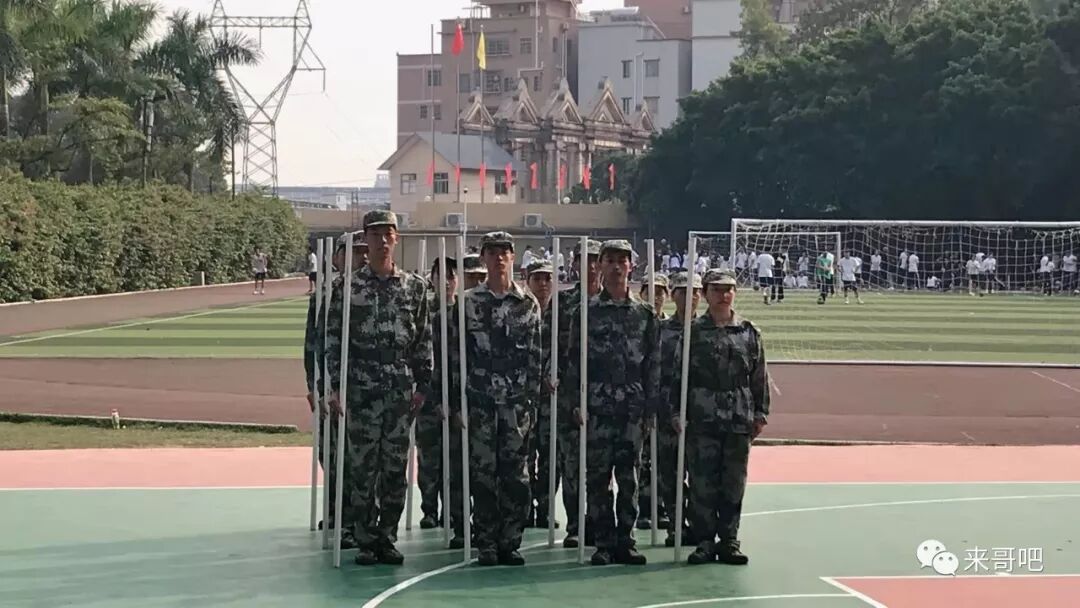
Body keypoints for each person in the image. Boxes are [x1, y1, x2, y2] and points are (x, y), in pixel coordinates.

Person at [325, 210, 432, 566]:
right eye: (375, 235)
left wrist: (423, 384)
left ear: (397, 238)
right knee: (362, 468)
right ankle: (366, 539)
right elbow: (334, 340)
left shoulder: (415, 287)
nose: (382, 241)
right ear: (365, 241)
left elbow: (423, 338)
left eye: (388, 234)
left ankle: (387, 536)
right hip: (361, 385)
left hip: (400, 387)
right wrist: (335, 385)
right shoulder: (347, 288)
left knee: (394, 468)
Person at [451, 231, 542, 567]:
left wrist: (532, 401)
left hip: (516, 404)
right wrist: (457, 403)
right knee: (483, 474)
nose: (499, 258)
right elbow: (456, 356)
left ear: (513, 257)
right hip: (480, 401)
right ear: (483, 258)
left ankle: (510, 541)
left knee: (516, 476)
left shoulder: (527, 303)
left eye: (504, 252)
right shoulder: (467, 303)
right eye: (492, 252)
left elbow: (535, 356)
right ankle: (487, 541)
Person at [566, 239, 659, 566]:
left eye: (622, 261)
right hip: (598, 405)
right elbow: (574, 361)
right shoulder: (586, 312)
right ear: (600, 266)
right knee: (598, 478)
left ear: (631, 266)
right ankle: (604, 542)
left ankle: (626, 541)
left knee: (629, 478)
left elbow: (653, 364)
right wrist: (576, 402)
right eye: (610, 261)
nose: (617, 267)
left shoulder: (645, 314)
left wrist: (651, 408)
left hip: (632, 406)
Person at [671, 269, 769, 566]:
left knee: (733, 483)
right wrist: (676, 412)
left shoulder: (749, 332)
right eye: (716, 289)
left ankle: (729, 541)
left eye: (729, 289)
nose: (724, 295)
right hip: (703, 415)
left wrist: (760, 413)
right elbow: (678, 376)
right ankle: (703, 541)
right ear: (705, 293)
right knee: (702, 482)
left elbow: (759, 376)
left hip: (738, 416)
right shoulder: (693, 332)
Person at [303, 232, 367, 549]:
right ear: (337, 257)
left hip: (363, 387)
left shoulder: (370, 293)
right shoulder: (325, 296)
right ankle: (335, 510)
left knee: (361, 458)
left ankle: (357, 520)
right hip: (329, 385)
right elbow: (312, 345)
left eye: (365, 251)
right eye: (354, 251)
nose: (362, 256)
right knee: (330, 454)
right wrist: (313, 385)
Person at [553, 238, 602, 548]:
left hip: (606, 397)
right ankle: (575, 524)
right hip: (570, 394)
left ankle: (598, 523)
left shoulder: (618, 304)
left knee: (600, 468)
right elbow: (551, 348)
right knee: (572, 466)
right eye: (584, 260)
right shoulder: (563, 303)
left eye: (596, 259)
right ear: (574, 265)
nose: (591, 266)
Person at [655, 270, 702, 547]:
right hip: (666, 413)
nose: (690, 297)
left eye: (695, 292)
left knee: (700, 476)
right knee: (670, 474)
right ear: (673, 296)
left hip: (700, 413)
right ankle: (675, 525)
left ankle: (698, 526)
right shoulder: (661, 330)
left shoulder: (706, 330)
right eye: (684, 292)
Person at [416, 256, 459, 532]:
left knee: (455, 459)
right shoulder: (425, 311)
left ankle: (452, 510)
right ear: (431, 279)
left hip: (457, 395)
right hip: (430, 396)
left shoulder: (464, 312)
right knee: (429, 457)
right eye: (439, 275)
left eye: (451, 276)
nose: (445, 281)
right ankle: (429, 509)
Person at [524, 259, 558, 529]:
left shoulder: (561, 314)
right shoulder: (521, 310)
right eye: (537, 279)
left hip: (551, 400)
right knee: (525, 456)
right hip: (525, 397)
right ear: (528, 281)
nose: (543, 284)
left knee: (550, 458)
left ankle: (545, 507)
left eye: (547, 278)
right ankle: (525, 508)